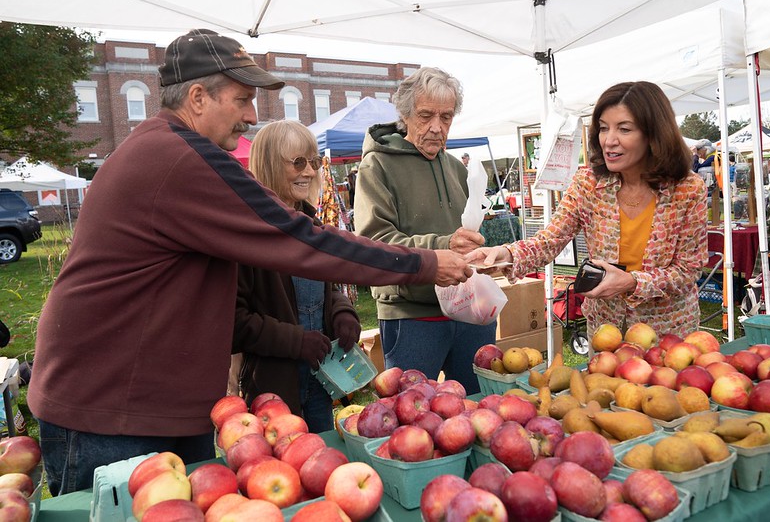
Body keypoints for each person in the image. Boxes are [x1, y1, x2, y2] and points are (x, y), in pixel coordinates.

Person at [27, 29, 472, 496]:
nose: (250, 115)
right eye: (241, 99)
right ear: (198, 97)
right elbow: (300, 238)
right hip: (113, 413)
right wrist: (424, 263)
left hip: (146, 403)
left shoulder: (169, 148)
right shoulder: (178, 158)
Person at [466, 81, 708, 341]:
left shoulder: (687, 189)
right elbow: (549, 241)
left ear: (654, 134)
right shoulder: (588, 183)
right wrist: (505, 254)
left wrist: (632, 282)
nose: (609, 141)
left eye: (624, 129)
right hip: (606, 330)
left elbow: (688, 271)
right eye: (603, 128)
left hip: (668, 333)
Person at [354, 67, 494, 396]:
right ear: (404, 115)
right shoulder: (377, 166)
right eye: (426, 115)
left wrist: (483, 253)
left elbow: (464, 231)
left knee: (479, 407)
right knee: (412, 415)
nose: (436, 127)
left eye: (446, 117)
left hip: (467, 308)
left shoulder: (456, 167)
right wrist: (443, 245)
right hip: (412, 315)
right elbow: (375, 244)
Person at [232, 120, 360, 432]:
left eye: (314, 162)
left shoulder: (312, 227)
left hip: (323, 382)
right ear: (269, 165)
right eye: (298, 162)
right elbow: (233, 321)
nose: (309, 172)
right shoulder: (249, 234)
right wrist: (296, 341)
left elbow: (322, 291)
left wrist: (342, 311)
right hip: (274, 391)